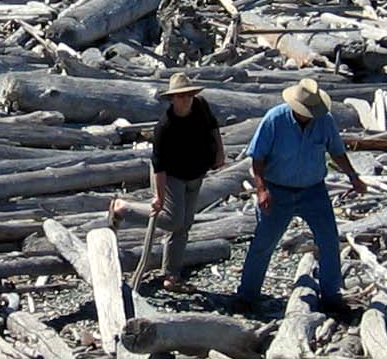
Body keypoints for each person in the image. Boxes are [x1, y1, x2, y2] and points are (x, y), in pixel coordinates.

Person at [235, 76, 367, 314]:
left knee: (328, 240)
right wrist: (262, 189)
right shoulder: (275, 119)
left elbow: (336, 151)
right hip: (277, 190)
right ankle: (247, 294)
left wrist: (353, 177)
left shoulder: (324, 121)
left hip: (313, 190)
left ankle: (331, 294)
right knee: (264, 242)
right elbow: (257, 158)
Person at [131, 73, 224, 290]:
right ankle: (124, 208)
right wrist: (159, 196)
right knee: (172, 220)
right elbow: (159, 166)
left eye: (189, 95)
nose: (186, 99)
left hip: (196, 173)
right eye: (181, 96)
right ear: (172, 99)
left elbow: (213, 128)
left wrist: (220, 152)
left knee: (184, 225)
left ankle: (171, 275)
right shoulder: (165, 127)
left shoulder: (200, 105)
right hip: (172, 176)